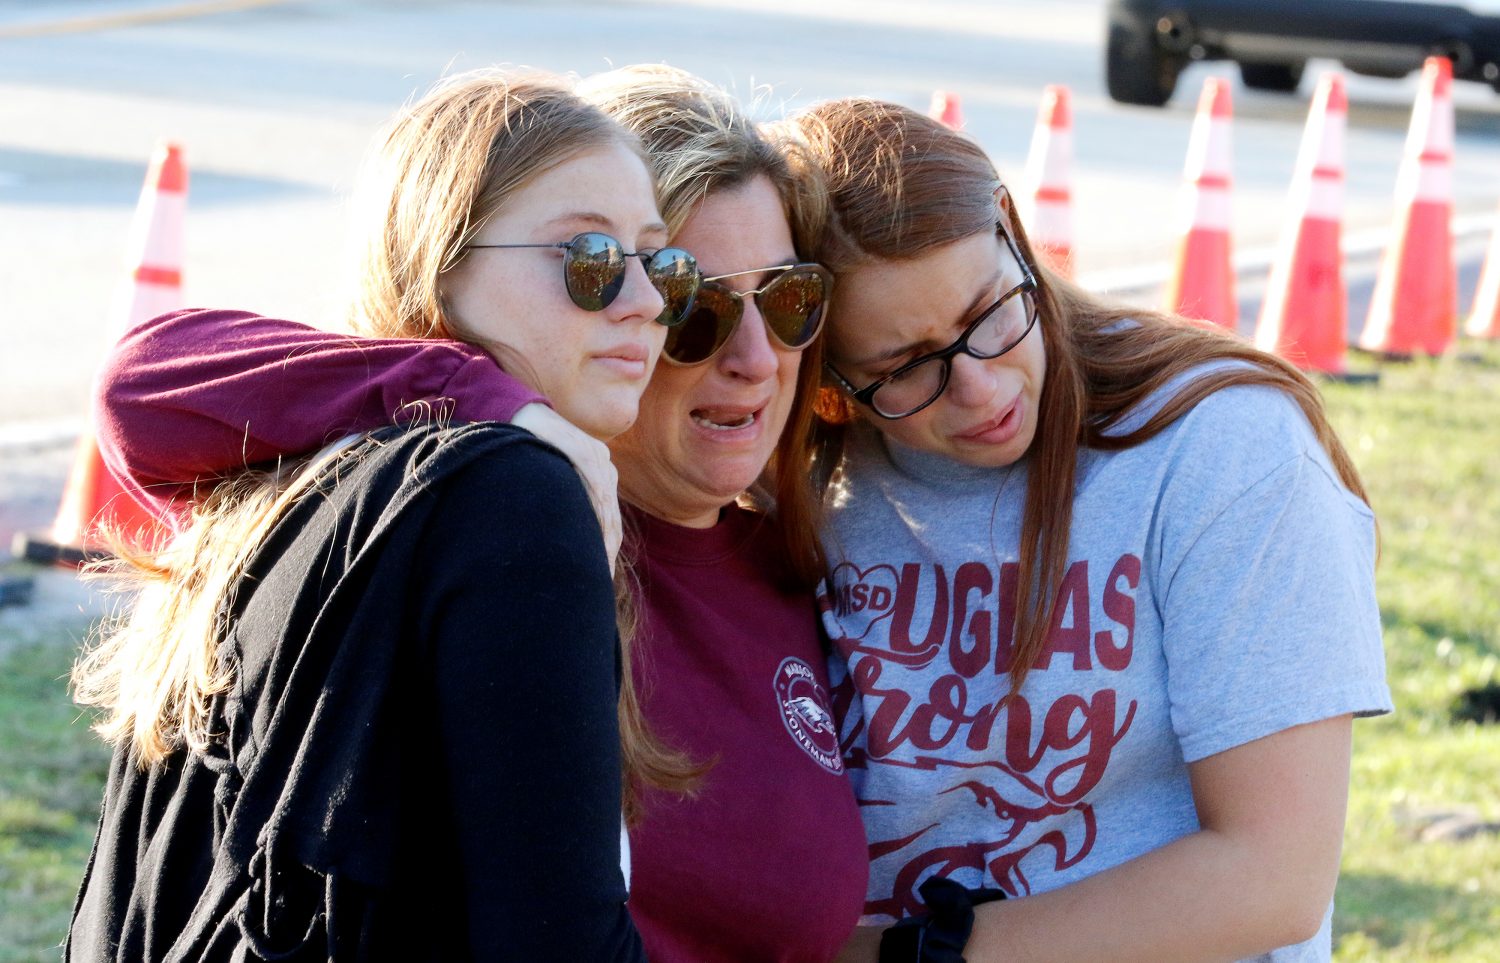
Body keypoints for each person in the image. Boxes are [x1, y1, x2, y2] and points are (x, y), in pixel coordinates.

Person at [86, 65, 869, 962]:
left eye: (789, 299)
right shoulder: (490, 509)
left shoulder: (799, 557)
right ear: (442, 264)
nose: (751, 352)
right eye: (596, 266)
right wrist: (486, 397)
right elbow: (142, 381)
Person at [790, 99, 1391, 961]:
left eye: (990, 314)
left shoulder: (1221, 444)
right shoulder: (806, 482)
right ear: (830, 383)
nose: (983, 391)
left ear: (1012, 230)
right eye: (906, 368)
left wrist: (917, 957)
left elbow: (1275, 875)